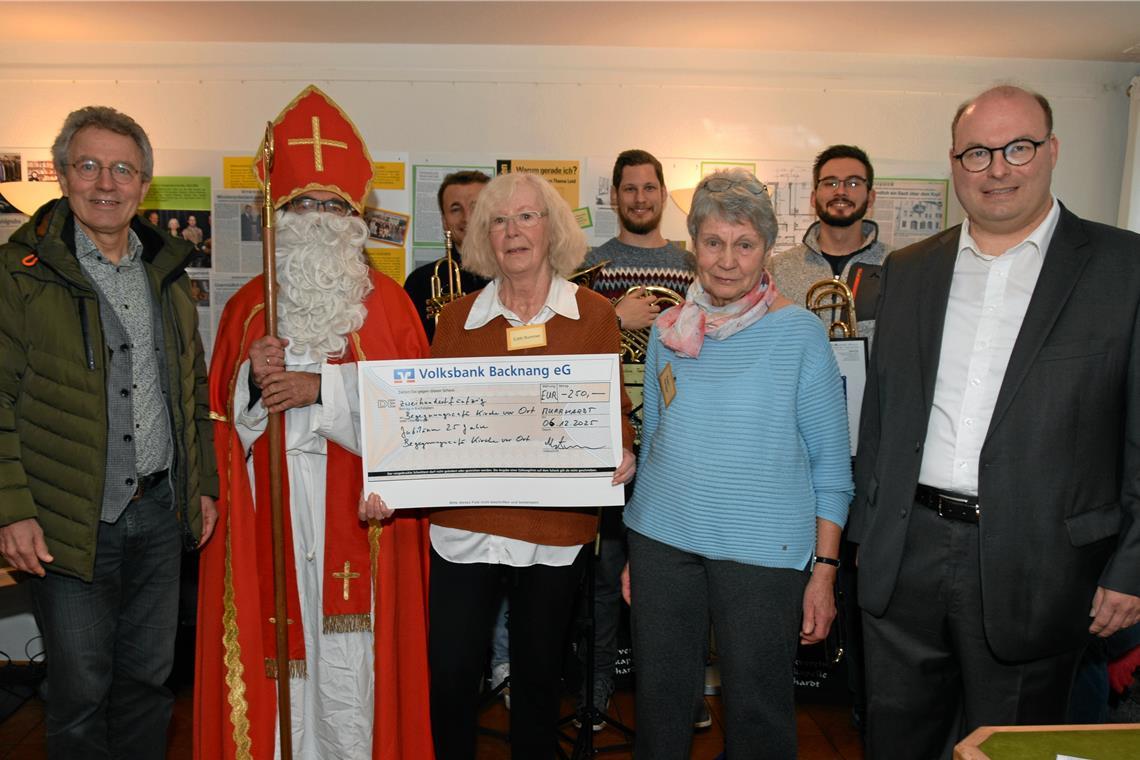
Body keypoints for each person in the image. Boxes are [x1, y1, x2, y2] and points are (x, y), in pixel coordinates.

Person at [850, 85, 1140, 759]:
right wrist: (867, 536)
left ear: (1052, 151)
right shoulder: (909, 270)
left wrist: (1132, 565)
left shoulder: (1123, 269)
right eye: (977, 153)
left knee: (1011, 748)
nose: (997, 168)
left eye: (1018, 148)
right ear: (955, 164)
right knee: (895, 740)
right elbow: (883, 417)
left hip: (1044, 567)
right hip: (907, 554)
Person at [195, 86, 434, 760]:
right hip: (271, 504)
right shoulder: (247, 307)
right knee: (280, 653)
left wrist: (318, 391)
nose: (319, 218)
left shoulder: (391, 307)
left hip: (362, 511)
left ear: (356, 217)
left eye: (334, 206)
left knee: (354, 666)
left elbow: (415, 413)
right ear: (278, 215)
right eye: (304, 205)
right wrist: (252, 381)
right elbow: (220, 424)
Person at [0, 105, 217, 757]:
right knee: (79, 693)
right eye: (89, 165)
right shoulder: (19, 275)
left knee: (149, 684)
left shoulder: (167, 275)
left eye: (123, 169)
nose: (105, 183)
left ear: (143, 184)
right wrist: (12, 511)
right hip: (67, 521)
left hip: (159, 515)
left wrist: (201, 487)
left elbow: (192, 390)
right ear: (63, 174)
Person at [622, 169, 852, 760]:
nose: (727, 261)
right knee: (660, 708)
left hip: (764, 553)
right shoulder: (669, 330)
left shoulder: (800, 334)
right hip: (660, 543)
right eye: (714, 242)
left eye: (744, 244)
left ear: (766, 248)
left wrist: (824, 573)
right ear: (694, 246)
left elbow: (832, 468)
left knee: (758, 715)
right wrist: (634, 551)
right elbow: (656, 442)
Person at [427, 170, 635, 760]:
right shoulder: (456, 320)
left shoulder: (594, 315)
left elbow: (611, 407)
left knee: (541, 678)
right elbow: (432, 420)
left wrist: (621, 449)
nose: (512, 231)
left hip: (554, 527)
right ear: (483, 237)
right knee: (451, 674)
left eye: (526, 216)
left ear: (552, 228)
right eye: (498, 220)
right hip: (466, 526)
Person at [577, 148, 696, 729]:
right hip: (612, 442)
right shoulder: (590, 264)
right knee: (604, 578)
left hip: (675, 443)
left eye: (650, 188)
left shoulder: (691, 263)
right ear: (614, 196)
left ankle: (679, 697)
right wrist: (613, 318)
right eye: (630, 189)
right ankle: (597, 689)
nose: (641, 198)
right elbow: (569, 341)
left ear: (663, 193)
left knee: (673, 578)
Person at [768, 144, 892, 343]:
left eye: (853, 183)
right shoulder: (777, 269)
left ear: (870, 198)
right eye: (830, 183)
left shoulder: (894, 266)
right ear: (813, 197)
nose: (840, 191)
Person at [404, 170, 492, 343]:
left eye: (475, 207)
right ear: (444, 221)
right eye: (456, 209)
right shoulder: (419, 282)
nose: (467, 218)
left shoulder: (516, 274)